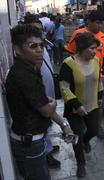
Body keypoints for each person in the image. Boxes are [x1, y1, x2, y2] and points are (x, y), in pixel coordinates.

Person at [6, 24, 74, 180]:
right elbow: (46, 110)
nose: (39, 50)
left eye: (41, 45)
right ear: (17, 49)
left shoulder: (29, 69)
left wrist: (64, 125)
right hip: (30, 144)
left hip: (33, 140)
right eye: (33, 46)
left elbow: (44, 105)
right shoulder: (24, 75)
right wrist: (53, 104)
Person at [60, 32, 104, 178]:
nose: (94, 52)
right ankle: (81, 163)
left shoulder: (97, 61)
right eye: (91, 48)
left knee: (93, 130)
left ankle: (86, 141)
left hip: (93, 106)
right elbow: (64, 88)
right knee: (76, 137)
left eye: (95, 49)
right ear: (81, 48)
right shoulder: (68, 64)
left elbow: (98, 82)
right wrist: (77, 105)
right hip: (75, 110)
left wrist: (100, 98)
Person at [23, 13, 62, 168]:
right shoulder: (29, 51)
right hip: (41, 95)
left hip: (48, 92)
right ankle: (46, 154)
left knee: (46, 124)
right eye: (35, 30)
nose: (40, 33)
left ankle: (49, 147)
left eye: (41, 30)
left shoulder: (41, 45)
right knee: (42, 123)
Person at [66, 10, 104, 139]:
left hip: (98, 77)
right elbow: (71, 55)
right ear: (89, 22)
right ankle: (81, 125)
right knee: (80, 102)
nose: (99, 26)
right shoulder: (78, 34)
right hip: (80, 77)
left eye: (101, 23)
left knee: (99, 104)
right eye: (97, 23)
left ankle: (97, 126)